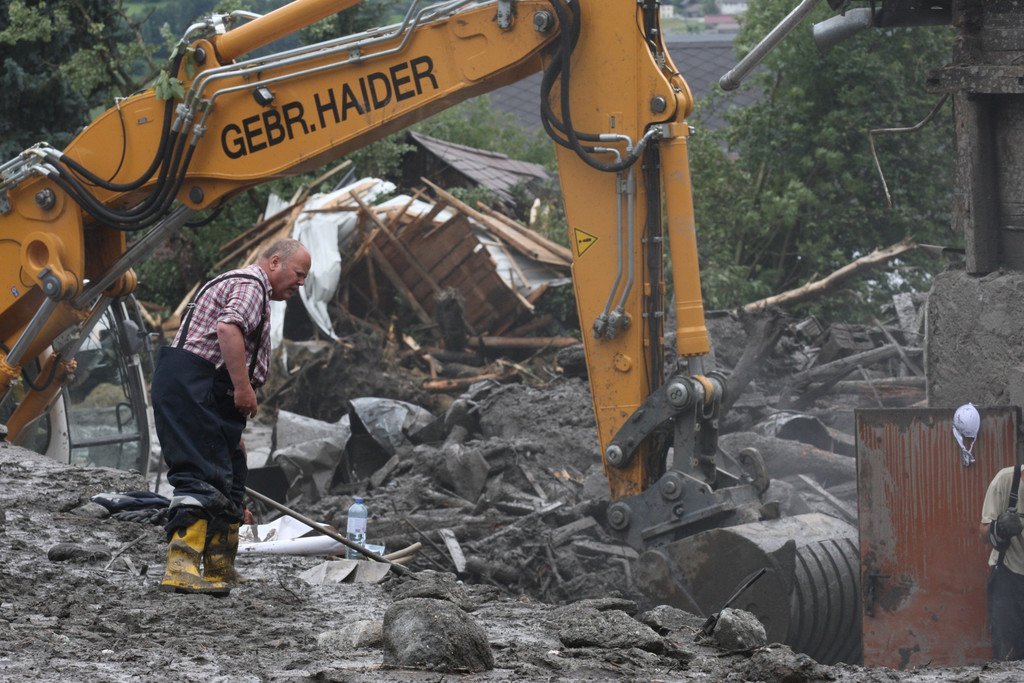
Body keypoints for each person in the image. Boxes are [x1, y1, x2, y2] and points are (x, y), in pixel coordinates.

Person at [153, 238, 310, 595]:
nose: (301, 283)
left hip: (203, 389)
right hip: (196, 384)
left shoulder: (250, 288)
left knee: (232, 470)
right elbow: (228, 328)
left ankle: (219, 567)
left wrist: (230, 426)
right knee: (200, 474)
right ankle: (181, 566)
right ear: (275, 262)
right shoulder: (252, 284)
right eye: (299, 274)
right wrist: (243, 388)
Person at [978, 402, 1024, 660]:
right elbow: (983, 533)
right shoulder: (1007, 480)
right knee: (1007, 656)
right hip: (1009, 577)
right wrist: (1001, 527)